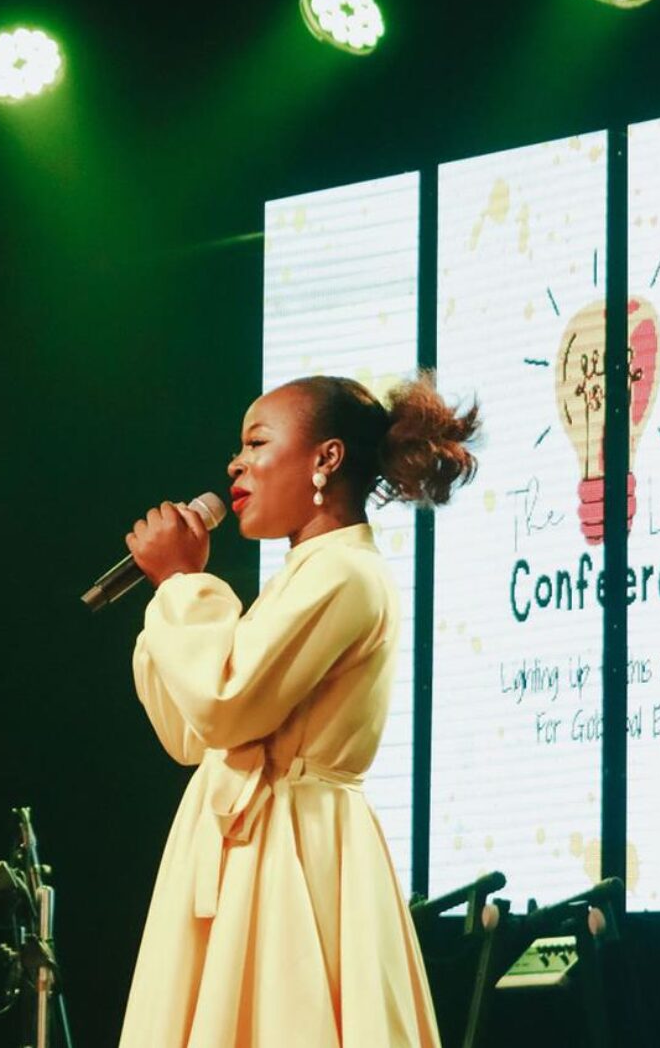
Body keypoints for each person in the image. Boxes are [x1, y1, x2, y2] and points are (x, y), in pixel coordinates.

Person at [118, 370, 480, 1048]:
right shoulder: (300, 576)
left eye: (257, 443)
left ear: (326, 458)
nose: (236, 464)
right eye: (239, 448)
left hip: (294, 846)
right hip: (244, 847)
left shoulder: (345, 573)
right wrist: (171, 595)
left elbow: (226, 701)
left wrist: (183, 583)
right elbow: (194, 734)